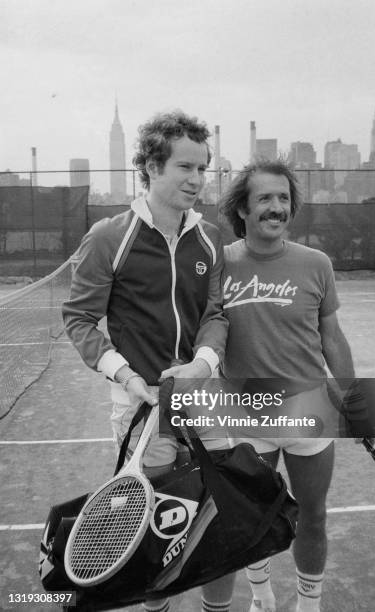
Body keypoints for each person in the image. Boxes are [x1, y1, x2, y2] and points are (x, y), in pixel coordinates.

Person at [62, 110, 235, 612]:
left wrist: (201, 366)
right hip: (143, 411)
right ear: (152, 167)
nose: (197, 180)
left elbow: (215, 313)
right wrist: (128, 376)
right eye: (185, 167)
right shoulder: (108, 237)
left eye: (203, 168)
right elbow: (79, 319)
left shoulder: (209, 237)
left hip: (203, 401)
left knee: (215, 525)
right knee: (154, 532)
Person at [219, 159, 371, 612]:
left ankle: (309, 603)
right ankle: (261, 596)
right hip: (246, 416)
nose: (277, 207)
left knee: (313, 515)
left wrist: (353, 399)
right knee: (250, 520)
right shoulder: (219, 265)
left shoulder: (315, 264)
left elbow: (331, 338)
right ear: (242, 209)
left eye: (283, 198)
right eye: (264, 198)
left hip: (309, 412)